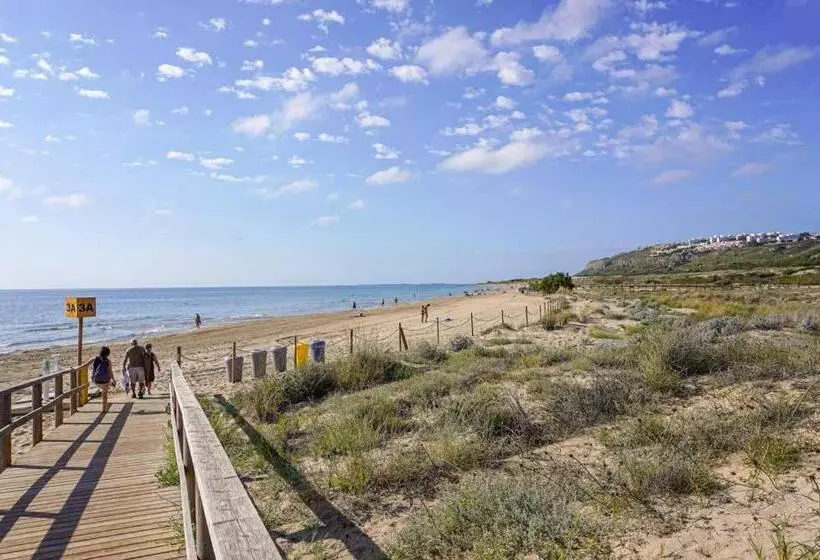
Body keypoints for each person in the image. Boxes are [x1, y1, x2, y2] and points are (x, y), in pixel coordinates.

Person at [92, 346, 115, 412]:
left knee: (101, 388)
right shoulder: (108, 361)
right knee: (104, 394)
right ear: (108, 353)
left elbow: (86, 364)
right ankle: (104, 409)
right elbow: (110, 372)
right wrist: (113, 380)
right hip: (105, 381)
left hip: (96, 380)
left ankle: (104, 407)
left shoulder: (95, 358)